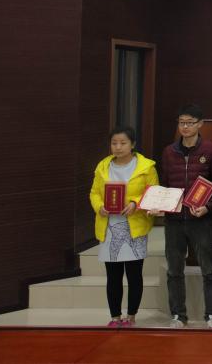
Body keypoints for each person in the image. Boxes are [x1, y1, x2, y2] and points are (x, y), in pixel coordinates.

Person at [159, 104, 212, 329]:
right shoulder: (169, 151)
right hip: (174, 220)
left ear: (200, 124)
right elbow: (164, 184)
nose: (185, 127)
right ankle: (178, 314)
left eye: (189, 123)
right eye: (181, 123)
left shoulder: (211, 150)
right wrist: (161, 204)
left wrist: (208, 207)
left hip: (201, 220)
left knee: (209, 269)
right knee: (174, 270)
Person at [89, 126, 158, 328]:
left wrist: (135, 203)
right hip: (109, 226)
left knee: (134, 274)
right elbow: (94, 192)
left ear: (133, 144)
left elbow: (153, 192)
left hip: (134, 227)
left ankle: (132, 316)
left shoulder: (146, 167)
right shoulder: (103, 166)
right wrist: (99, 206)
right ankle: (115, 317)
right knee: (113, 275)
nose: (118, 147)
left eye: (123, 143)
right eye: (114, 143)